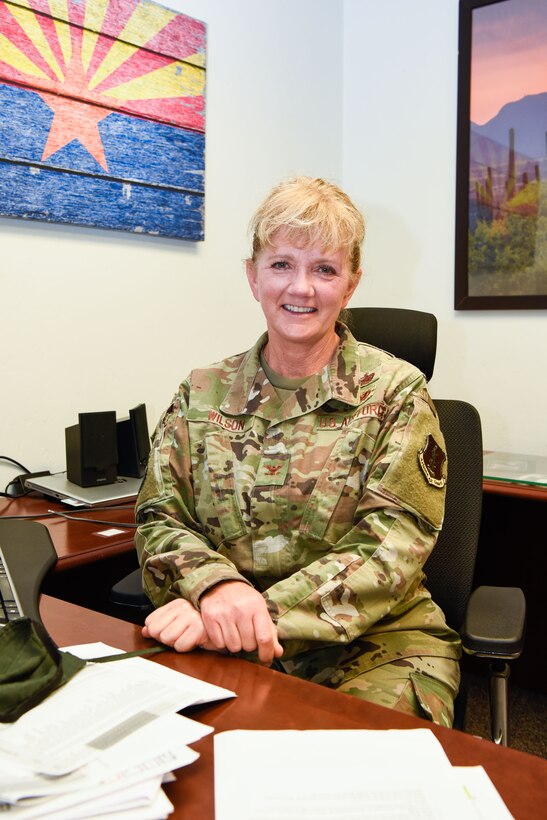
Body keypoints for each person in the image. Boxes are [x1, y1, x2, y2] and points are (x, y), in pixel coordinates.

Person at [135, 176, 461, 726]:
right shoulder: (201, 392)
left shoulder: (397, 393)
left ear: (350, 285)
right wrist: (214, 586)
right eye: (282, 264)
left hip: (374, 647)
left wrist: (250, 612)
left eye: (325, 269)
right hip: (226, 631)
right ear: (252, 275)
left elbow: (391, 546)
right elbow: (160, 518)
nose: (301, 288)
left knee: (366, 788)